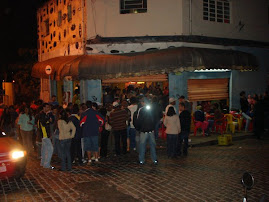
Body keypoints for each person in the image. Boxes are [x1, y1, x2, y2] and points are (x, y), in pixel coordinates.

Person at [134, 97, 158, 165]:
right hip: (151, 130)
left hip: (143, 131)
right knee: (152, 146)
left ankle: (141, 160)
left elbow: (138, 121)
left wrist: (139, 129)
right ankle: (154, 159)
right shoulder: (152, 109)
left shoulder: (140, 110)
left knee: (142, 146)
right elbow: (155, 119)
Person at [38, 103, 55, 169]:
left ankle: (43, 163)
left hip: (44, 134)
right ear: (44, 108)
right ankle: (46, 164)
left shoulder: (44, 114)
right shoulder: (42, 115)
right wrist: (48, 120)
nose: (48, 109)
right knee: (50, 149)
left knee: (44, 149)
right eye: (47, 107)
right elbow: (43, 123)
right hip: (44, 133)